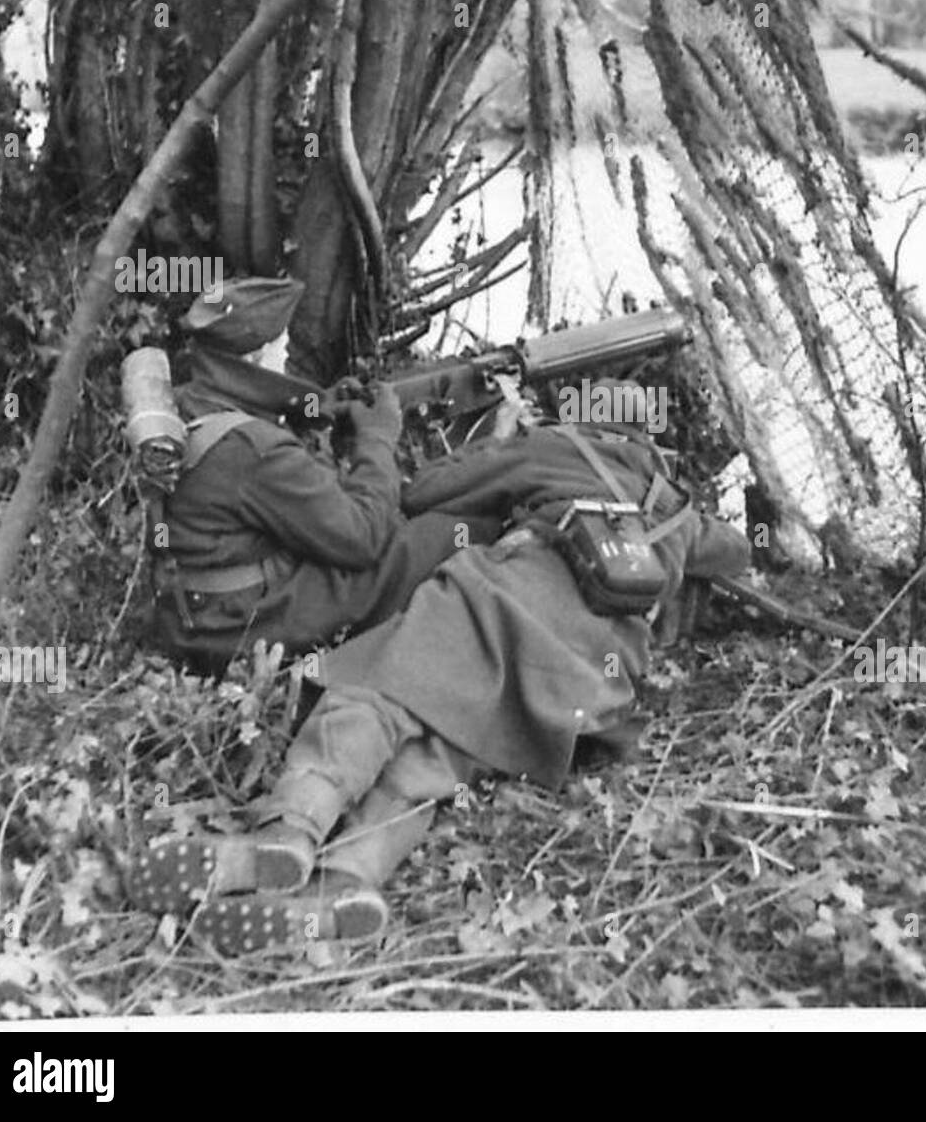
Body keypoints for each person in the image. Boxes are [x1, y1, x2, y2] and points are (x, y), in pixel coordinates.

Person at [131, 381, 751, 950]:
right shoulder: (679, 511)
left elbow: (421, 493)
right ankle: (346, 881)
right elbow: (734, 553)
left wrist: (500, 442)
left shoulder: (555, 449)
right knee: (433, 762)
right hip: (597, 675)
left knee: (373, 693)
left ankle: (288, 831)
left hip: (507, 603)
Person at [151, 276, 498, 671]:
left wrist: (322, 407)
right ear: (255, 357)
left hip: (190, 613)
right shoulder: (257, 451)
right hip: (234, 627)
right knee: (430, 537)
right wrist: (377, 438)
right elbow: (362, 538)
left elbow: (251, 421)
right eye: (281, 345)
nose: (285, 355)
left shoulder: (190, 401)